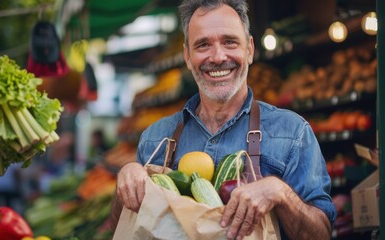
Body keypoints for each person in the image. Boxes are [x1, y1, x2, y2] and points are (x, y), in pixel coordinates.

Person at [114, 0, 336, 239]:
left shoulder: (292, 133)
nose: (218, 57)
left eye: (229, 42)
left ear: (249, 50)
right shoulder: (155, 138)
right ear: (187, 57)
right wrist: (125, 182)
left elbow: (321, 234)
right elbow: (125, 224)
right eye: (203, 45)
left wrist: (280, 193)